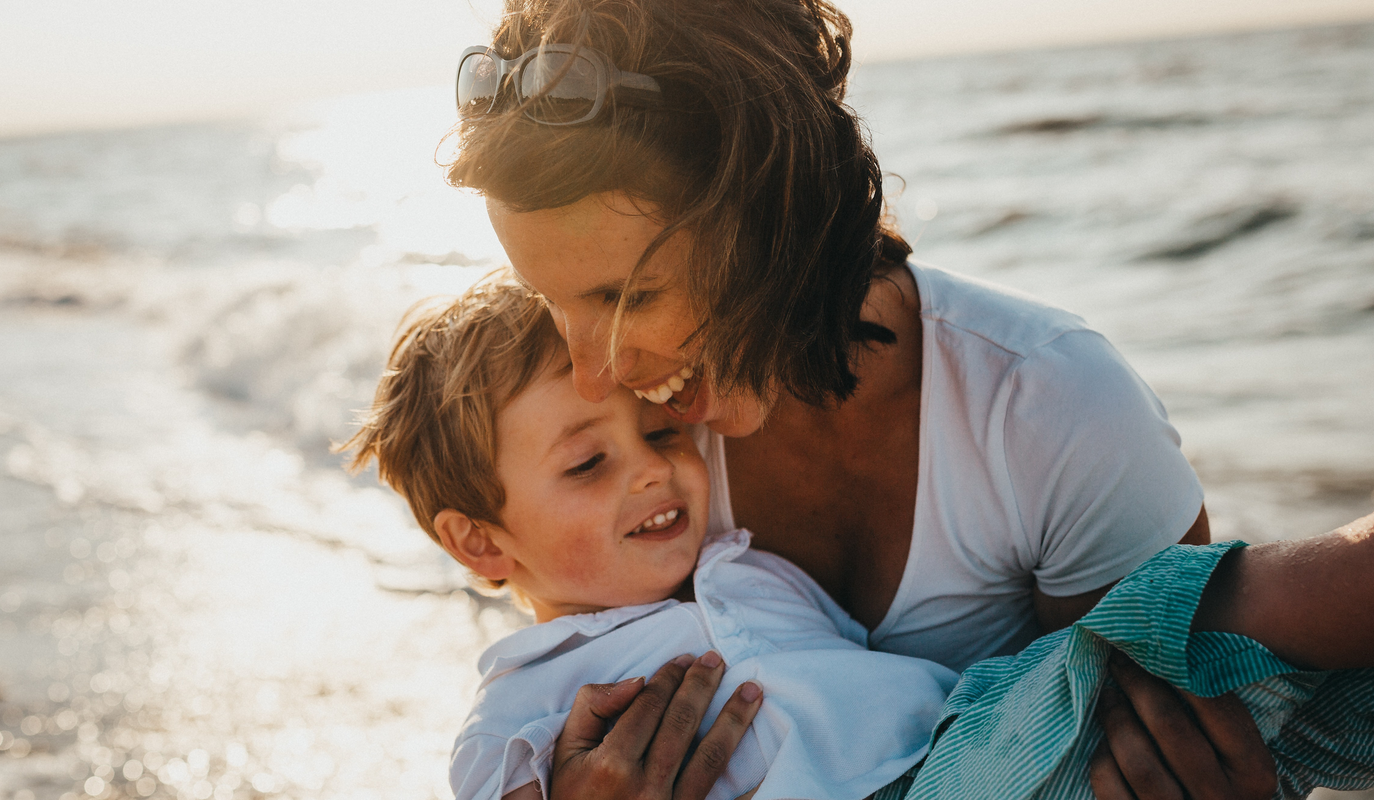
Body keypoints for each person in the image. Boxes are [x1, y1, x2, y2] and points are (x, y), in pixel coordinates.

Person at [444, 0, 1268, 797]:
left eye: (629, 298)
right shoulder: (631, 450)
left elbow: (1181, 733)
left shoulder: (1049, 410)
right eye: (551, 299)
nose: (594, 373)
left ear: (773, 220)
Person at [341, 274, 1374, 800]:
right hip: (929, 784)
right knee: (1211, 622)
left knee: (1295, 681)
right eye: (586, 463)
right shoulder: (521, 700)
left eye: (658, 429)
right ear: (479, 543)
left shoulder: (743, 563)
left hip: (969, 734)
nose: (654, 465)